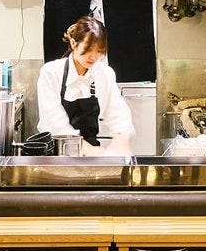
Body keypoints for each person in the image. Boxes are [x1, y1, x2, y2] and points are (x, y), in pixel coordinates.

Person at [36, 15, 134, 156]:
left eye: (99, 51)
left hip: (91, 154)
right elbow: (53, 121)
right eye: (88, 50)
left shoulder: (105, 74)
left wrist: (121, 139)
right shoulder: (51, 72)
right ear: (73, 43)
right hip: (57, 153)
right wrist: (84, 148)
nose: (93, 57)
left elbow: (118, 112)